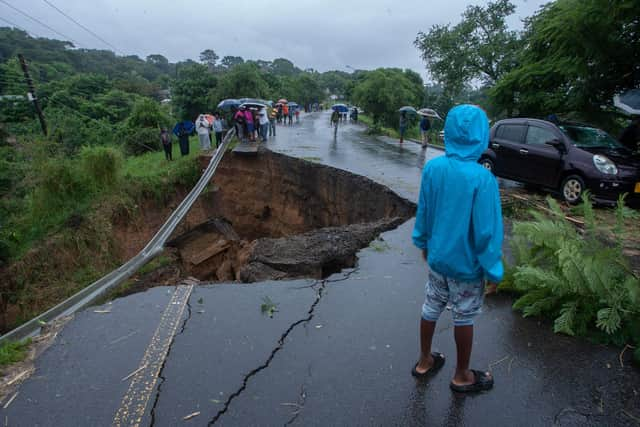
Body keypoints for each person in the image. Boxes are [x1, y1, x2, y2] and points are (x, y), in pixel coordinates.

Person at [411, 104, 502, 393]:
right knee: (463, 315)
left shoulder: (433, 168)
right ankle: (462, 375)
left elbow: (424, 211)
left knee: (430, 307)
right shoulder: (482, 178)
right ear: (480, 135)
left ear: (448, 130)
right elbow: (486, 231)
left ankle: (424, 361)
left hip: (438, 260)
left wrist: (424, 243)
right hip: (467, 266)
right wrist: (493, 270)